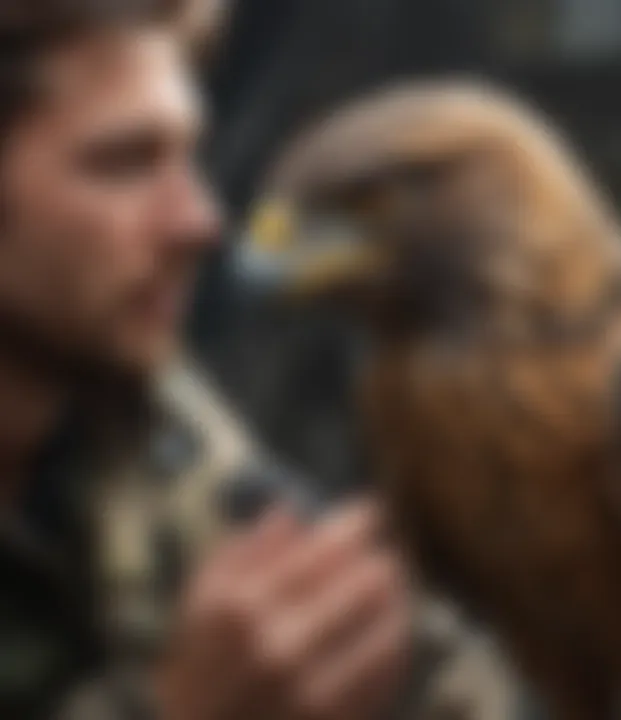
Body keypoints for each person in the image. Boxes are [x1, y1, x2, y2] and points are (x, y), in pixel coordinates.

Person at [0, 1, 521, 718]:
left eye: (189, 156)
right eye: (124, 164)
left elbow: (428, 674)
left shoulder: (134, 418)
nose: (200, 222)